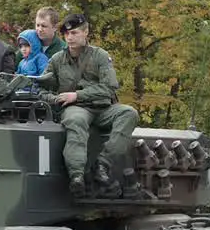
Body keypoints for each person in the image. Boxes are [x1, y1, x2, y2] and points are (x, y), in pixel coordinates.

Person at [35, 13, 142, 200]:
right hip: (76, 108)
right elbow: (41, 89)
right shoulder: (57, 60)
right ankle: (77, 176)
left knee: (129, 113)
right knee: (75, 121)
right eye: (67, 34)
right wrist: (56, 99)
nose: (70, 37)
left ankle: (104, 163)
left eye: (74, 32)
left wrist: (77, 94)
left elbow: (109, 88)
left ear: (86, 33)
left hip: (102, 109)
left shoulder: (100, 56)